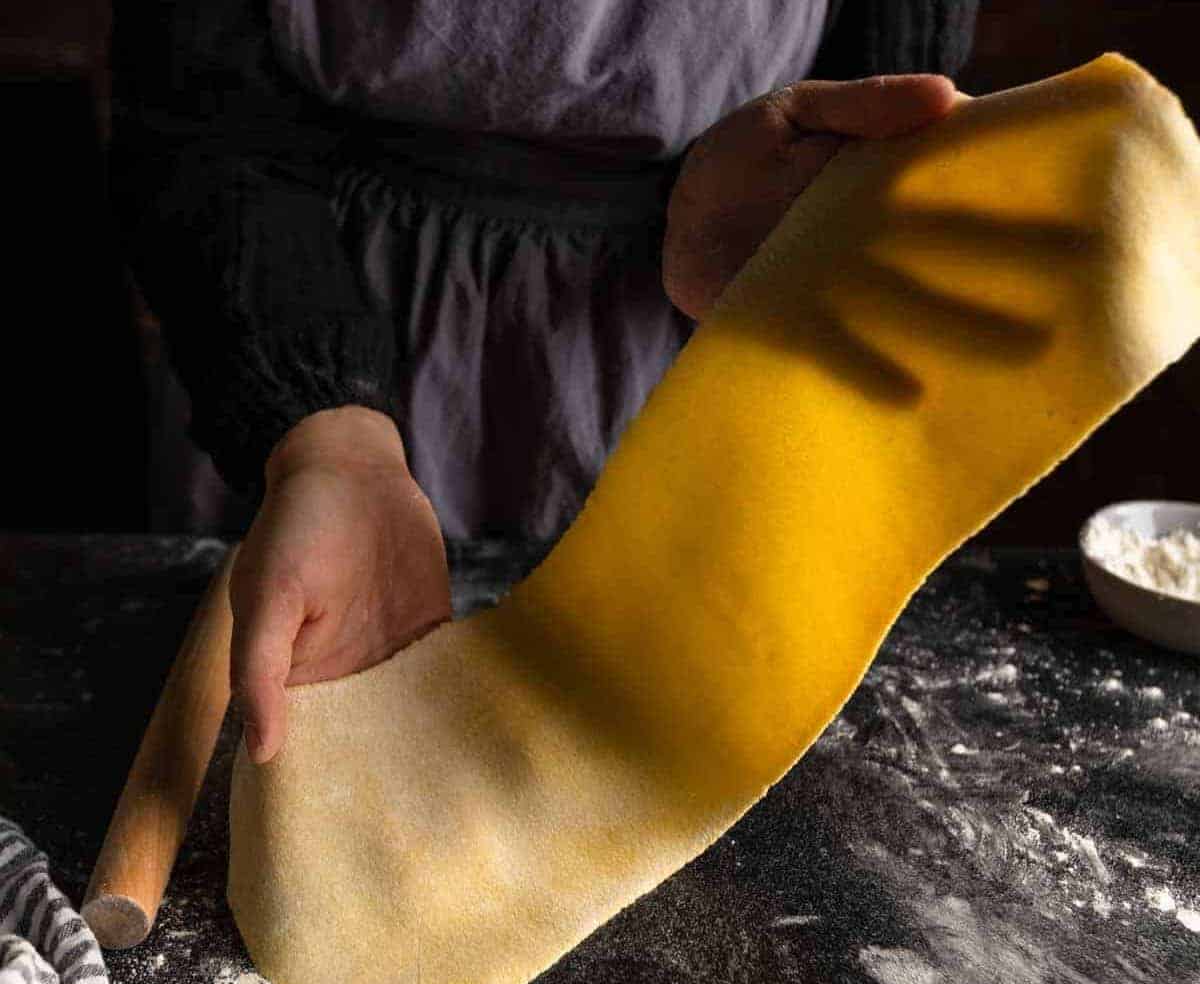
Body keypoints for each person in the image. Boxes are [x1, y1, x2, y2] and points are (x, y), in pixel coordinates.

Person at [108, 0, 979, 765]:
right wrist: (323, 439)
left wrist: (805, 214)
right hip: (304, 305)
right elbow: (196, 114)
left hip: (691, 346)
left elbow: (892, 98)